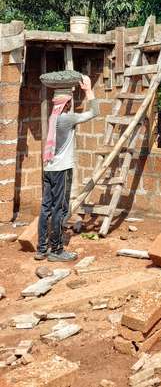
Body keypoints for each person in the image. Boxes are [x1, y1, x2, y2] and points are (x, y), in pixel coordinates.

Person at [35, 75, 99, 262]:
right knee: (60, 208)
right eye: (70, 101)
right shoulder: (66, 118)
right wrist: (88, 90)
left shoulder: (53, 117)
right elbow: (95, 112)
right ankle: (56, 250)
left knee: (46, 207)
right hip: (62, 170)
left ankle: (42, 248)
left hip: (49, 168)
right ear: (67, 103)